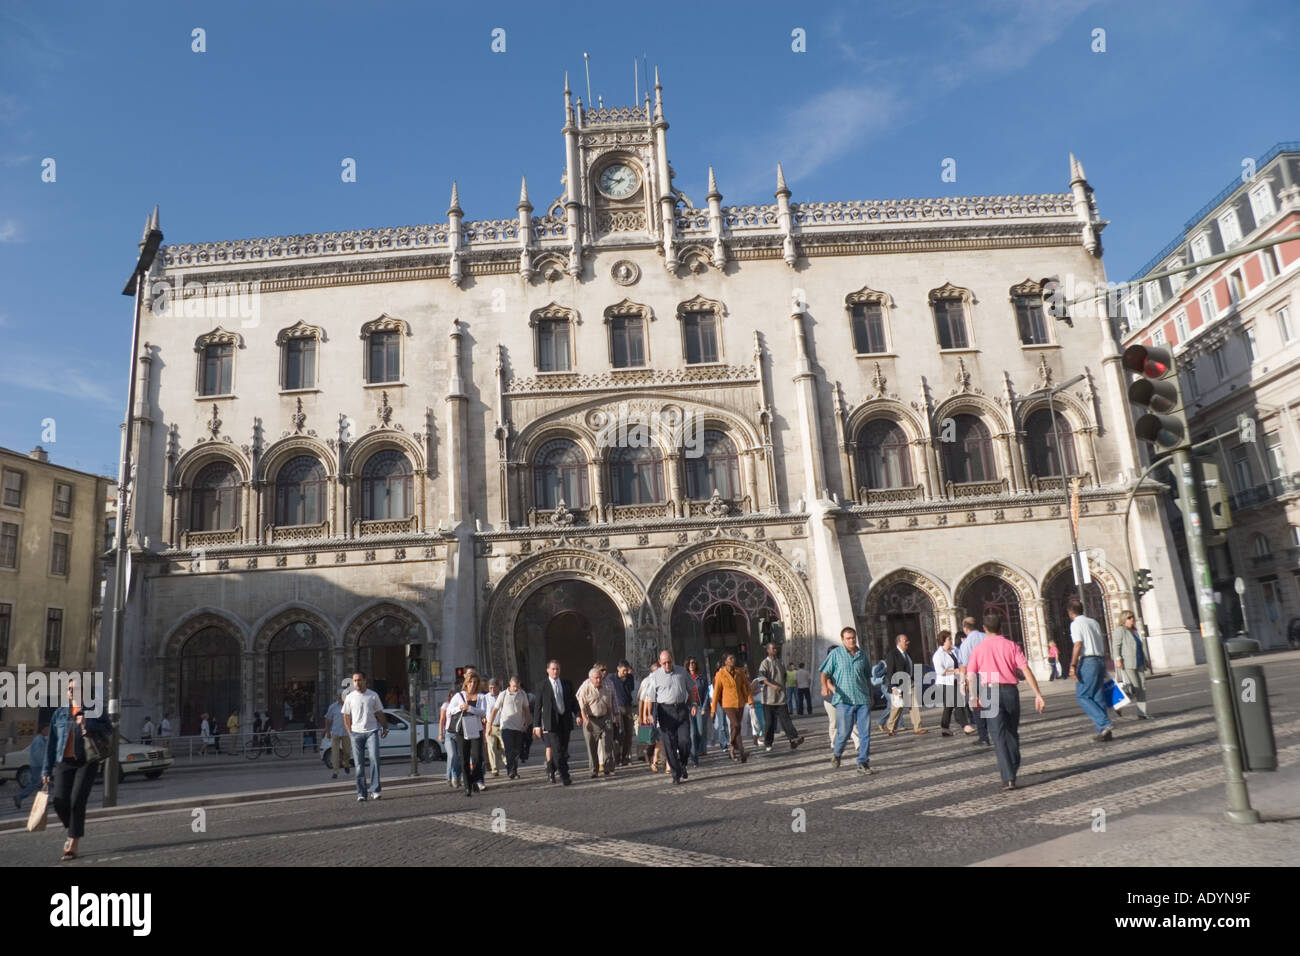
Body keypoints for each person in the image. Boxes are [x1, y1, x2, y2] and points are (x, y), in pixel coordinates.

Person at [965, 612, 1046, 790]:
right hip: (1010, 691)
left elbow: (970, 674)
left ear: (984, 628)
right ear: (1000, 626)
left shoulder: (978, 649)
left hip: (989, 691)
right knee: (1011, 731)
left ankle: (1008, 777)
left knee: (998, 735)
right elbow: (1025, 670)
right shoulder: (1011, 645)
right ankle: (1014, 763)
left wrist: (973, 695)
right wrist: (1037, 693)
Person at [42, 676, 112, 862]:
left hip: (87, 760)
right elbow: (52, 743)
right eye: (70, 688)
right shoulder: (60, 713)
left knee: (76, 802)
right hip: (64, 762)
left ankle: (72, 844)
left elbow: (108, 728)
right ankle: (73, 827)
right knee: (59, 802)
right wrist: (46, 770)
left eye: (76, 688)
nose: (72, 691)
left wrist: (87, 722)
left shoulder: (94, 709)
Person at [820, 626, 874, 773]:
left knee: (865, 733)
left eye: (853, 638)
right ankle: (837, 754)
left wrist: (871, 696)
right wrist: (824, 687)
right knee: (844, 732)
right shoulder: (836, 654)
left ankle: (863, 762)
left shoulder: (862, 655)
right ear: (843, 640)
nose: (851, 641)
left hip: (862, 699)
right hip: (844, 700)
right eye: (848, 638)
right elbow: (824, 673)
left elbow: (867, 676)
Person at [1067, 599, 1115, 742]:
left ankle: (1105, 723)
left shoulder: (1075, 624)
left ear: (1070, 612)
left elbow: (1078, 644)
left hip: (1088, 661)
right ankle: (1104, 732)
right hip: (1100, 659)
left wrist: (1073, 665)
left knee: (1083, 695)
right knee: (1097, 694)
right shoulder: (1094, 622)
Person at [645, 650, 694, 785]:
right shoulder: (655, 676)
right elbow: (650, 697)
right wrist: (649, 713)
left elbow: (691, 689)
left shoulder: (682, 672)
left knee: (685, 741)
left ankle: (683, 763)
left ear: (672, 660)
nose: (667, 665)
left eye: (669, 662)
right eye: (664, 663)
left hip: (681, 709)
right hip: (665, 712)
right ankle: (675, 773)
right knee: (669, 744)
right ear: (660, 663)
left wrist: (694, 704)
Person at [342, 671, 389, 801]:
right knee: (358, 765)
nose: (357, 683)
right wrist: (349, 731)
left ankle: (375, 790)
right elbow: (345, 715)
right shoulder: (350, 697)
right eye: (355, 681)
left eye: (359, 680)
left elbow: (379, 712)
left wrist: (385, 726)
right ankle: (361, 793)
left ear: (365, 681)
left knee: (374, 759)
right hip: (356, 733)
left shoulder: (373, 695)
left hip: (372, 731)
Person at [533, 659, 581, 785]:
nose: (555, 671)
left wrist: (577, 714)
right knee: (557, 750)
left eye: (557, 669)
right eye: (553, 669)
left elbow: (573, 701)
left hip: (565, 722)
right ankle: (565, 776)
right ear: (548, 670)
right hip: (551, 724)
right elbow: (537, 706)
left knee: (563, 750)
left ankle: (550, 769)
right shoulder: (542, 686)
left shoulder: (567, 684)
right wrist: (536, 726)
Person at [448, 673, 488, 796]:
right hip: (462, 730)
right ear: (466, 683)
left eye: (475, 682)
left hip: (476, 729)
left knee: (477, 758)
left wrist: (470, 708)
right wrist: (460, 708)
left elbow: (483, 712)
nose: (472, 685)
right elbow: (449, 711)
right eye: (470, 682)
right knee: (464, 758)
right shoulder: (458, 696)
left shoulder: (481, 697)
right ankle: (467, 787)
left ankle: (472, 779)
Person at [758, 643, 804, 751]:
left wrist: (783, 687)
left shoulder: (780, 662)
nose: (775, 650)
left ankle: (794, 739)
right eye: (773, 648)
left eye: (776, 648)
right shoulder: (764, 663)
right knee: (769, 722)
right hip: (768, 699)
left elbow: (784, 676)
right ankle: (768, 743)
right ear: (768, 650)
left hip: (780, 697)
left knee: (786, 720)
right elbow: (762, 678)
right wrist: (772, 686)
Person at [710, 653, 751, 763]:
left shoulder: (740, 672)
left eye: (734, 657)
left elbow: (746, 686)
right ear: (725, 662)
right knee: (736, 724)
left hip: (740, 703)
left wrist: (750, 701)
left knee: (736, 728)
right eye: (730, 658)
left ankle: (736, 751)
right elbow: (716, 693)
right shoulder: (720, 674)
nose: (733, 660)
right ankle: (736, 748)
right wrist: (713, 709)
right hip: (728, 704)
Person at [576, 666, 617, 777]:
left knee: (608, 744)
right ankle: (594, 770)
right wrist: (586, 721)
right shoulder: (585, 688)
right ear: (591, 678)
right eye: (596, 678)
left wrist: (611, 718)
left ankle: (608, 767)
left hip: (604, 718)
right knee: (591, 746)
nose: (599, 680)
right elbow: (582, 708)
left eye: (600, 678)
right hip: (591, 719)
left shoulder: (606, 687)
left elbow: (610, 705)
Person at [488, 675, 531, 779]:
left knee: (517, 750)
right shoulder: (503, 694)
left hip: (518, 727)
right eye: (514, 686)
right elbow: (495, 710)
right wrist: (489, 724)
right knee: (509, 749)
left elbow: (526, 709)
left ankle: (515, 770)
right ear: (510, 684)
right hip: (506, 727)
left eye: (518, 686)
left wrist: (527, 723)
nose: (516, 688)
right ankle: (510, 771)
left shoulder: (522, 694)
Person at [956, 616, 990, 745]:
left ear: (965, 628)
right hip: (990, 675)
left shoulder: (966, 644)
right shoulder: (986, 637)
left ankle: (983, 736)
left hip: (975, 677)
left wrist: (962, 683)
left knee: (977, 707)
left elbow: (964, 666)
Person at [884, 634, 926, 736]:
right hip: (899, 685)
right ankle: (890, 726)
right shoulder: (892, 654)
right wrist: (893, 686)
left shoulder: (908, 654)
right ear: (899, 642)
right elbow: (890, 671)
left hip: (910, 684)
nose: (908, 642)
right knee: (897, 707)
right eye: (905, 640)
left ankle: (917, 727)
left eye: (907, 640)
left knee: (914, 705)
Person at [821, 646, 861, 751]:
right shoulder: (828, 667)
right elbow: (828, 683)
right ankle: (834, 743)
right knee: (834, 722)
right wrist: (837, 692)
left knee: (851, 720)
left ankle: (858, 743)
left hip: (846, 698)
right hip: (831, 699)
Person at [1113, 610, 1151, 720]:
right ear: (1124, 620)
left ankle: (1142, 713)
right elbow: (1116, 646)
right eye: (1129, 618)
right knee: (1134, 688)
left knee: (1142, 687)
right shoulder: (1120, 630)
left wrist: (1145, 660)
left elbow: (1140, 647)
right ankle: (1119, 704)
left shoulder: (1134, 631)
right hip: (1128, 663)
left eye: (1132, 617)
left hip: (1139, 662)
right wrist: (1118, 659)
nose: (1132, 620)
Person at [932, 630, 968, 736]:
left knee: (949, 706)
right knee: (958, 702)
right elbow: (940, 671)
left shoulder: (954, 650)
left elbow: (960, 661)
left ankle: (945, 727)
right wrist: (954, 671)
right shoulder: (938, 655)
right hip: (945, 683)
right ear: (943, 641)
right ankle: (965, 725)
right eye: (949, 639)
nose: (951, 641)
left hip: (956, 681)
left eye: (951, 638)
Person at [13, 724, 49, 811]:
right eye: (46, 729)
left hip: (38, 765)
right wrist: (44, 765)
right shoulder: (38, 740)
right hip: (38, 765)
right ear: (42, 730)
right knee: (36, 783)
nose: (48, 731)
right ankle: (19, 797)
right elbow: (38, 754)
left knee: (42, 784)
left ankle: (44, 801)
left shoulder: (42, 739)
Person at [638, 661, 666, 771]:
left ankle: (662, 760)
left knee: (660, 738)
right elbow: (643, 700)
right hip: (651, 713)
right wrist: (643, 715)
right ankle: (650, 756)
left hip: (662, 712)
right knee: (652, 738)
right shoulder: (647, 682)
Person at [611, 660, 637, 766]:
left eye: (627, 670)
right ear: (618, 668)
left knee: (628, 733)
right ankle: (617, 757)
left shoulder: (629, 678)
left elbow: (630, 689)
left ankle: (625, 757)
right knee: (619, 733)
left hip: (628, 707)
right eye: (623, 670)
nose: (625, 672)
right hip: (617, 707)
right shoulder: (611, 678)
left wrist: (626, 678)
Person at [687, 657, 710, 766]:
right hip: (689, 707)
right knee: (692, 732)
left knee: (700, 731)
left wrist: (705, 707)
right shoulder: (685, 678)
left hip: (700, 706)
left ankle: (701, 749)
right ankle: (693, 753)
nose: (691, 665)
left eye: (693, 663)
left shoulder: (701, 678)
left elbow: (706, 693)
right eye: (690, 663)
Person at [324, 690, 352, 779]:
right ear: (338, 698)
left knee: (347, 752)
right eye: (340, 698)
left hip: (346, 732)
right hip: (335, 732)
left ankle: (346, 764)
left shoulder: (350, 707)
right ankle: (335, 771)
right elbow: (328, 720)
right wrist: (327, 732)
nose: (342, 699)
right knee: (335, 753)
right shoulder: (333, 707)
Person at [482, 678, 506, 777]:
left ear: (498, 686)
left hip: (502, 725)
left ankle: (508, 764)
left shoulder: (503, 695)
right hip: (490, 726)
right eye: (490, 688)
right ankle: (494, 769)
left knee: (504, 747)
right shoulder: (486, 697)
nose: (492, 690)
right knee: (491, 748)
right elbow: (483, 709)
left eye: (494, 688)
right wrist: (483, 718)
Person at [439, 687, 463, 789]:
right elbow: (442, 720)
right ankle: (450, 777)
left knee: (459, 757)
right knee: (452, 755)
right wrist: (440, 733)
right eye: (452, 696)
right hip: (449, 734)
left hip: (460, 734)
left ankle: (457, 777)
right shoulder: (446, 706)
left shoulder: (461, 706)